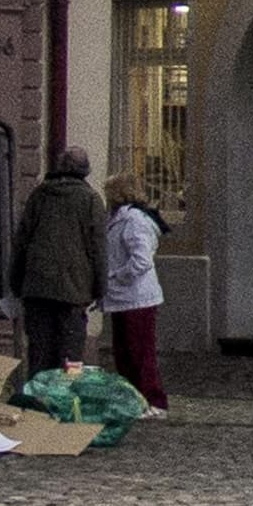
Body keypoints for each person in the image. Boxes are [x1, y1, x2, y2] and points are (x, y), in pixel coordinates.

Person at [10, 143, 106, 387]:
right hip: (74, 290)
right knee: (71, 353)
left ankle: (38, 403)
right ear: (85, 171)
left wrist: (16, 282)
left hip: (38, 287)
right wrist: (100, 289)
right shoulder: (90, 199)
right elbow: (98, 249)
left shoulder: (40, 195)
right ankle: (67, 398)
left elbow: (22, 240)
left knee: (39, 352)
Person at [99, 173, 169, 411]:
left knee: (140, 354)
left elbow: (141, 260)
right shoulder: (119, 218)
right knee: (125, 354)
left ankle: (153, 401)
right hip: (123, 297)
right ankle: (134, 401)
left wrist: (116, 275)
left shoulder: (134, 220)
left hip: (137, 297)